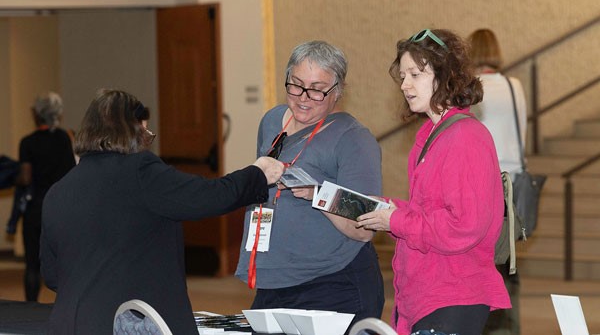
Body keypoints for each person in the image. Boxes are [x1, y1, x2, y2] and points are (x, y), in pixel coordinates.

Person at [39, 89, 284, 335]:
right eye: (145, 132)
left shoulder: (58, 191)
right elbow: (207, 196)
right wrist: (258, 174)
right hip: (128, 324)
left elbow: (51, 275)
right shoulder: (140, 171)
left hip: (68, 324)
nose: (147, 140)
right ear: (130, 132)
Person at [356, 29, 511, 335]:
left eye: (415, 74)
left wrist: (396, 221)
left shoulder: (465, 136)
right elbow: (427, 209)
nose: (404, 84)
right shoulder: (429, 134)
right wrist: (389, 209)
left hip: (454, 293)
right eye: (402, 75)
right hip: (426, 292)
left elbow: (464, 226)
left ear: (445, 75)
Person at [234, 40, 385, 325]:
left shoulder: (354, 139)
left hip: (332, 284)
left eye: (317, 89)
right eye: (296, 84)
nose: (304, 97)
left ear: (337, 91)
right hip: (274, 279)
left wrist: (318, 194)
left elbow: (365, 228)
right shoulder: (271, 121)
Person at [468, 28, 528, 335]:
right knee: (510, 263)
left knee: (483, 264)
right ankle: (510, 327)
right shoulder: (514, 85)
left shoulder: (472, 88)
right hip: (515, 186)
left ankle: (488, 327)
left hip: (488, 185)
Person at [16, 92, 76, 302]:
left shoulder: (27, 143)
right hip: (60, 208)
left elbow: (25, 178)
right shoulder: (64, 139)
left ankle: (30, 306)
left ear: (36, 114)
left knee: (32, 264)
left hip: (36, 209)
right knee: (64, 262)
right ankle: (66, 306)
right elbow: (72, 173)